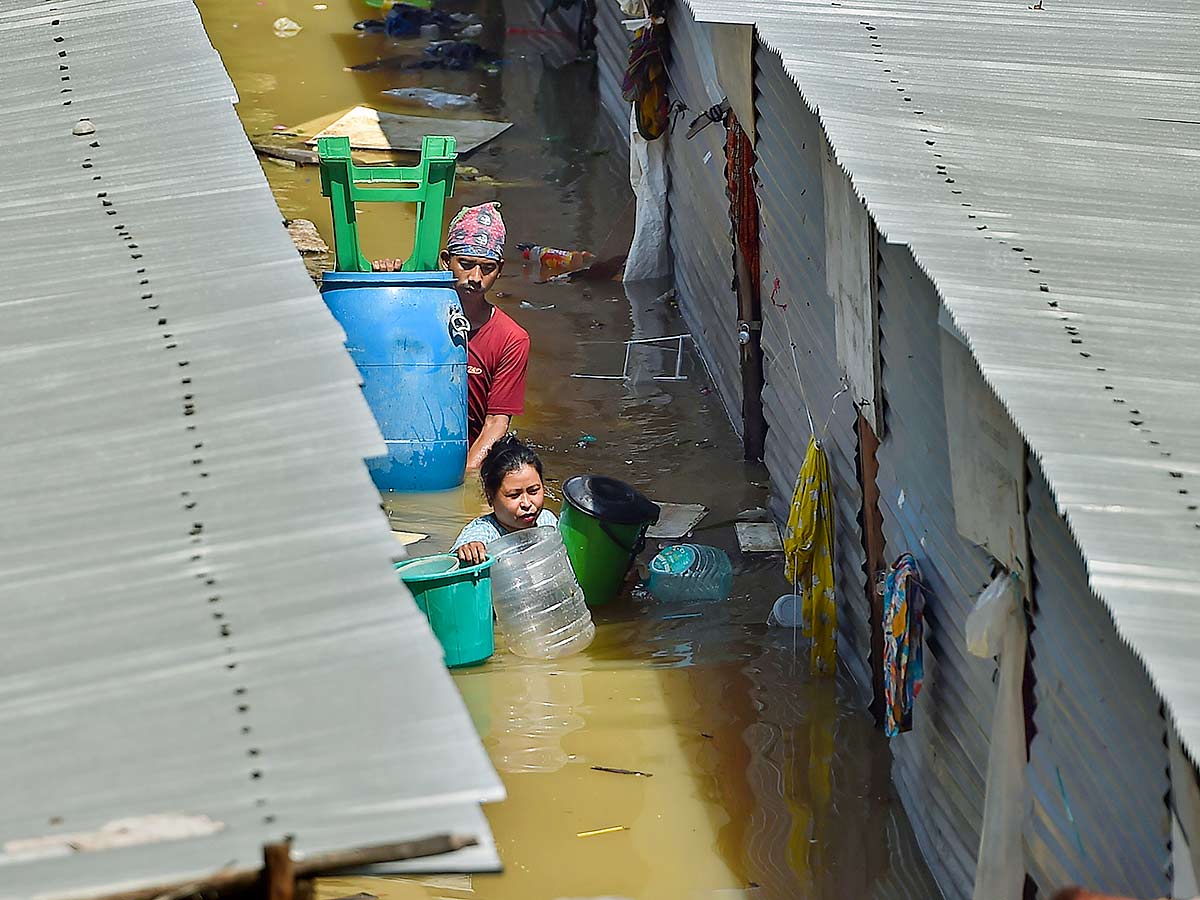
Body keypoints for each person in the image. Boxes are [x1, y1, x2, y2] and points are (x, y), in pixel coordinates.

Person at [374, 202, 529, 469]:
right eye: (466, 264)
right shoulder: (411, 309)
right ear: (446, 261)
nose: (476, 277)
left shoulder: (511, 339)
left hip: (465, 453)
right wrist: (383, 289)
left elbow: (495, 423)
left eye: (488, 268)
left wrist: (462, 480)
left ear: (500, 270)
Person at [452, 435, 557, 566]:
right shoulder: (485, 533)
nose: (527, 503)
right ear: (490, 497)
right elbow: (455, 560)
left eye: (533, 491)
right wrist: (468, 550)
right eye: (514, 495)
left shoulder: (547, 521)